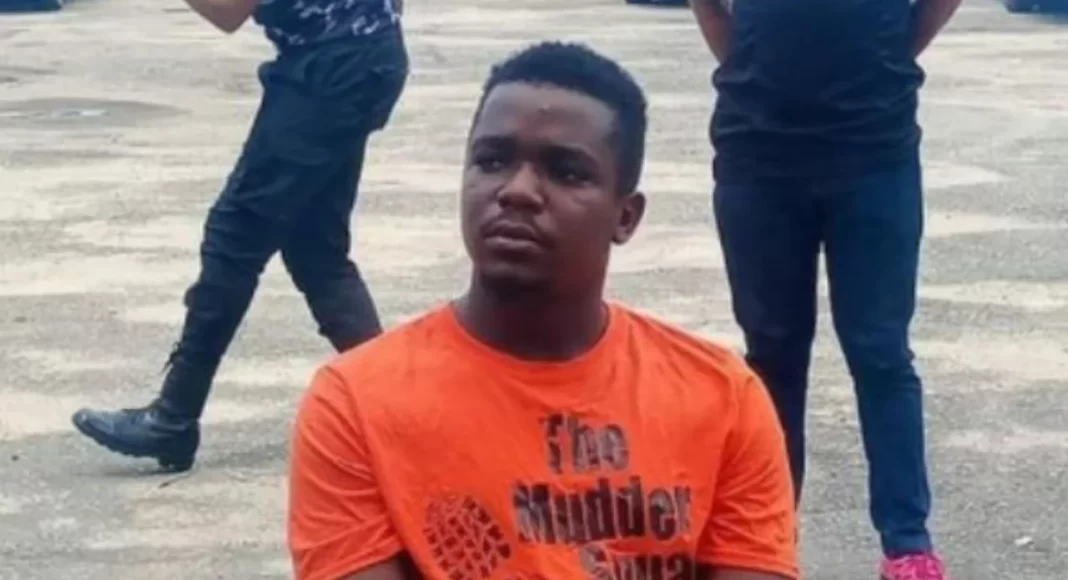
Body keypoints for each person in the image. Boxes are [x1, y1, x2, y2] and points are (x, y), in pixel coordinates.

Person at [287, 41, 799, 580]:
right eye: (491, 161)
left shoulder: (721, 400)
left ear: (626, 217)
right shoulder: (358, 404)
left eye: (566, 172)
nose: (518, 191)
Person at [71, 0, 408, 472]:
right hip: (368, 54)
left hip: (330, 68)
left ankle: (173, 417)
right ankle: (398, 407)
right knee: (317, 250)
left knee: (235, 236)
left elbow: (227, 12)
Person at [688, 0, 963, 579]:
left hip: (874, 150)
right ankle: (765, 540)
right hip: (758, 153)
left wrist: (891, 56)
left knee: (881, 352)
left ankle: (907, 546)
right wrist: (744, 63)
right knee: (772, 356)